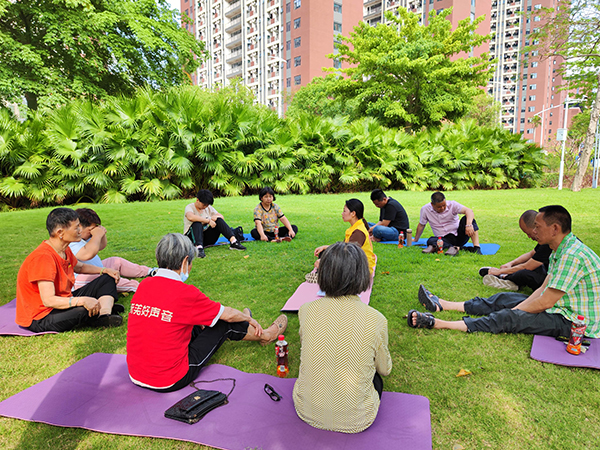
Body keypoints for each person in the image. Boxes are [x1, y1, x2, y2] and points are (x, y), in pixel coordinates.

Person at [126, 233, 288, 392]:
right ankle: (267, 335)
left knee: (204, 320)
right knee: (224, 324)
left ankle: (244, 326)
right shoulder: (184, 293)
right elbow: (228, 314)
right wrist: (248, 319)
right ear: (185, 262)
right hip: (169, 378)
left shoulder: (144, 285)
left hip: (136, 373)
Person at [408, 206, 600, 339]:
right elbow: (543, 288)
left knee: (509, 317)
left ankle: (438, 323)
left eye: (538, 227)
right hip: (559, 307)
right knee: (504, 299)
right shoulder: (560, 249)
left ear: (555, 228)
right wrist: (518, 306)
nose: (534, 231)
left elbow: (545, 301)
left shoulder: (572, 255)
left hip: (574, 321)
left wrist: (515, 312)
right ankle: (443, 304)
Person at [293, 242, 392, 433]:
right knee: (377, 379)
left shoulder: (306, 310)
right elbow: (385, 368)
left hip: (305, 408)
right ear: (362, 275)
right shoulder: (376, 320)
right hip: (357, 419)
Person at [16, 208, 123, 332]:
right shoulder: (43, 257)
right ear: (60, 232)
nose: (80, 231)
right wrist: (82, 300)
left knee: (106, 279)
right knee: (82, 309)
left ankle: (104, 314)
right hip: (41, 316)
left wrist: (104, 270)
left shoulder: (64, 250)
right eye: (76, 227)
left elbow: (80, 267)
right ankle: (98, 312)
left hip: (63, 300)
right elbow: (48, 300)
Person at [69, 208, 156, 292]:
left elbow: (101, 246)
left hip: (98, 269)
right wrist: (97, 235)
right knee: (108, 277)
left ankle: (150, 271)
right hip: (82, 279)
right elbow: (86, 255)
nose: (92, 233)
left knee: (116, 261)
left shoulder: (84, 237)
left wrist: (101, 234)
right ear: (79, 227)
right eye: (91, 230)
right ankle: (138, 286)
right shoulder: (71, 241)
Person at [479, 210, 551, 291]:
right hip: (546, 272)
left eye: (529, 233)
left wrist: (500, 272)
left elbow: (527, 267)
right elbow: (531, 254)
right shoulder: (545, 239)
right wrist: (511, 263)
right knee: (530, 263)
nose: (529, 237)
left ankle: (504, 277)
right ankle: (510, 279)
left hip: (549, 281)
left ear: (536, 227)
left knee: (524, 272)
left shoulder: (547, 242)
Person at [313, 199, 376, 276]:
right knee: (325, 252)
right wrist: (325, 247)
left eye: (344, 211)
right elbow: (343, 246)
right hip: (353, 260)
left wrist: (324, 261)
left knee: (328, 257)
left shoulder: (358, 232)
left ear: (353, 213)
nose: (342, 214)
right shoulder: (355, 227)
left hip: (361, 269)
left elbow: (347, 255)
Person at [414, 191, 481, 256]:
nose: (442, 208)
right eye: (439, 207)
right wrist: (416, 239)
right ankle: (458, 248)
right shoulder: (425, 209)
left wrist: (468, 225)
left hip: (458, 235)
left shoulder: (452, 205)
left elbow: (469, 211)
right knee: (431, 241)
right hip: (443, 239)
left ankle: (476, 248)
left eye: (444, 205)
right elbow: (421, 225)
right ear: (432, 205)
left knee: (468, 219)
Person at [183, 189, 246, 258]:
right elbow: (190, 217)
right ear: (197, 200)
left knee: (218, 220)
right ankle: (199, 248)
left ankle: (234, 242)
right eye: (204, 205)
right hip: (191, 239)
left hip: (206, 238)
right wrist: (208, 220)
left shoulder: (208, 208)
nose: (205, 207)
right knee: (197, 223)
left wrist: (214, 217)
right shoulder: (190, 207)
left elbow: (221, 217)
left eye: (207, 205)